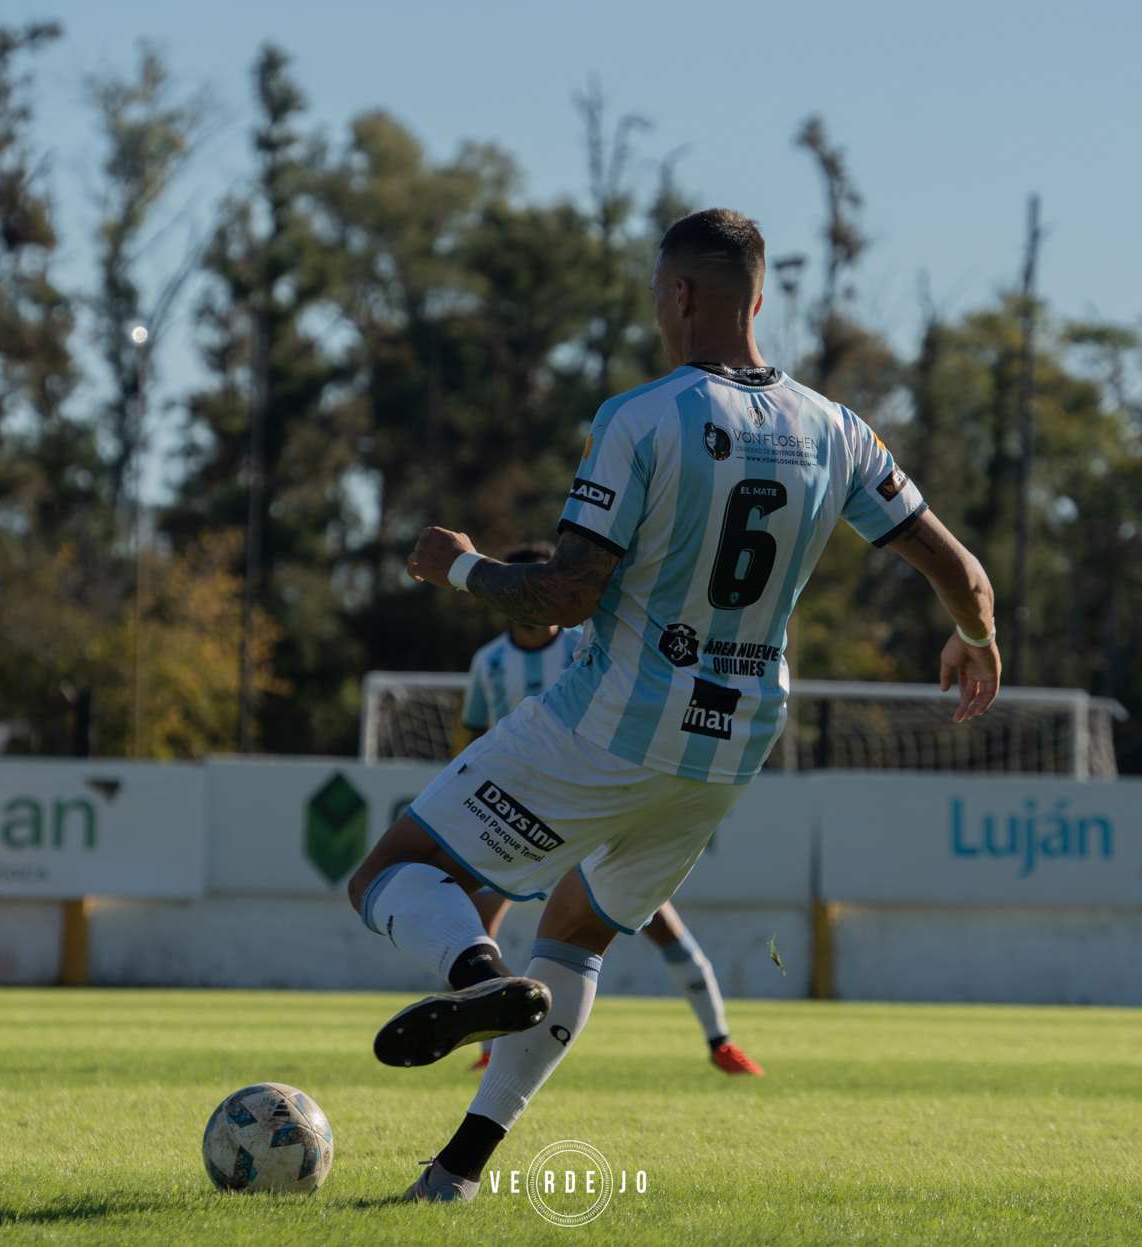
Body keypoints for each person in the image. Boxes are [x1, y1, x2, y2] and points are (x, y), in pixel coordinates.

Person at [345, 208, 1000, 1203]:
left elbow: (566, 594)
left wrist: (463, 567)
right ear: (762, 295)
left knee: (388, 870)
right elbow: (965, 576)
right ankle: (455, 1176)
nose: (658, 310)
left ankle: (477, 975)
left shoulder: (641, 416)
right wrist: (978, 639)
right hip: (734, 743)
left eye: (659, 293)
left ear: (683, 293)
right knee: (576, 931)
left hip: (611, 716)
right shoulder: (839, 429)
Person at [460, 541, 762, 1077]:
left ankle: (720, 1040)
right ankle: (489, 1044)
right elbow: (473, 734)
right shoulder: (487, 661)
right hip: (523, 809)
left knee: (659, 922)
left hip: (593, 802)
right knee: (474, 924)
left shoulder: (585, 640)